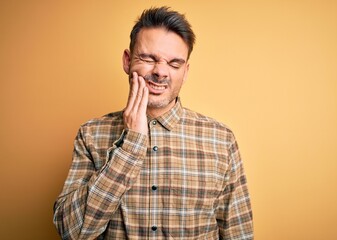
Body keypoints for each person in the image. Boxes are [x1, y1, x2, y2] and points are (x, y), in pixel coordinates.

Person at [53, 6, 253, 240]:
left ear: (185, 72)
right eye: (148, 58)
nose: (160, 72)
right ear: (128, 61)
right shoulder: (91, 135)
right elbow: (72, 233)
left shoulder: (221, 139)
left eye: (174, 64)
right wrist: (130, 146)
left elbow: (239, 234)